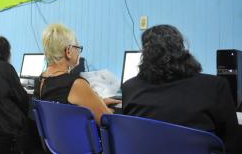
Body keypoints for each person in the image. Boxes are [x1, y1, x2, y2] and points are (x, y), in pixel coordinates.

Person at [121, 24, 241, 154]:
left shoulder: (129, 87)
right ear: (182, 50)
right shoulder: (216, 85)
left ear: (145, 54)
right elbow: (232, 142)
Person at [34, 24, 120, 125]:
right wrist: (107, 109)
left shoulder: (40, 80)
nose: (79, 52)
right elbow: (107, 120)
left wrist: (97, 102)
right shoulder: (75, 84)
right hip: (77, 140)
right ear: (68, 51)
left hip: (55, 140)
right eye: (77, 47)